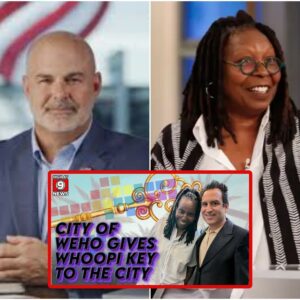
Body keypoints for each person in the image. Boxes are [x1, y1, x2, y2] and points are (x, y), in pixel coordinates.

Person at [0, 31, 148, 295]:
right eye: (45, 80)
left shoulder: (144, 161)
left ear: (95, 85)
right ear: (27, 88)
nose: (59, 93)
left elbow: (190, 255)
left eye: (73, 79)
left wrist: (59, 265)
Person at [152, 10, 300, 271]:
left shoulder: (297, 140)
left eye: (271, 61)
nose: (263, 72)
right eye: (246, 62)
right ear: (215, 73)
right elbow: (151, 230)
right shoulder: (176, 144)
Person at [195, 181, 248, 285]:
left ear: (226, 207)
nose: (208, 209)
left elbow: (242, 283)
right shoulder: (200, 238)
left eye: (214, 203)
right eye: (204, 204)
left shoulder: (241, 237)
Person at [146, 188, 201, 284]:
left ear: (196, 216)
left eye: (190, 214)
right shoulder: (162, 223)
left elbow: (191, 267)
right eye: (181, 211)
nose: (184, 217)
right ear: (175, 207)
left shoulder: (196, 238)